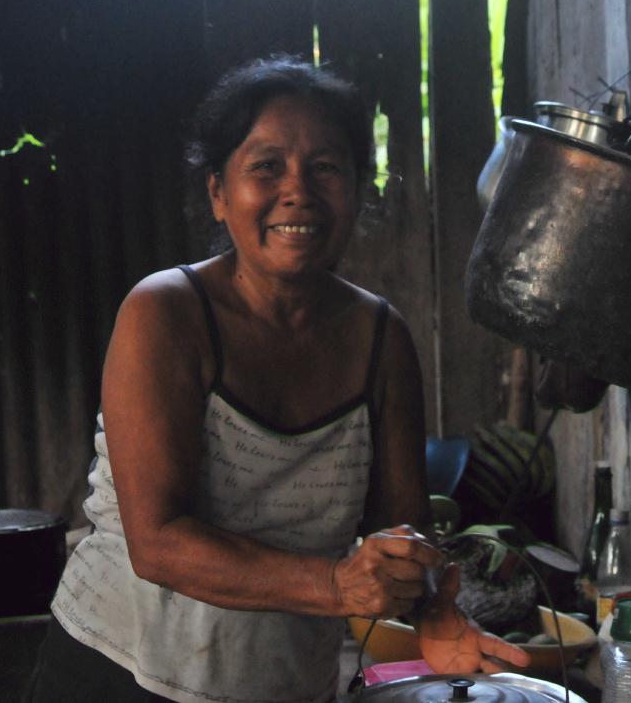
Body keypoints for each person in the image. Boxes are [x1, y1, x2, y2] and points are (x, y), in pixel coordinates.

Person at [27, 56, 529, 702]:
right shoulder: (165, 314)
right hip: (118, 672)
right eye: (266, 166)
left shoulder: (381, 340)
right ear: (217, 191)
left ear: (358, 187)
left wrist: (432, 607)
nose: (298, 190)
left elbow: (397, 534)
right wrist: (336, 585)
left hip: (282, 683)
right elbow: (157, 544)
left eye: (326, 167)